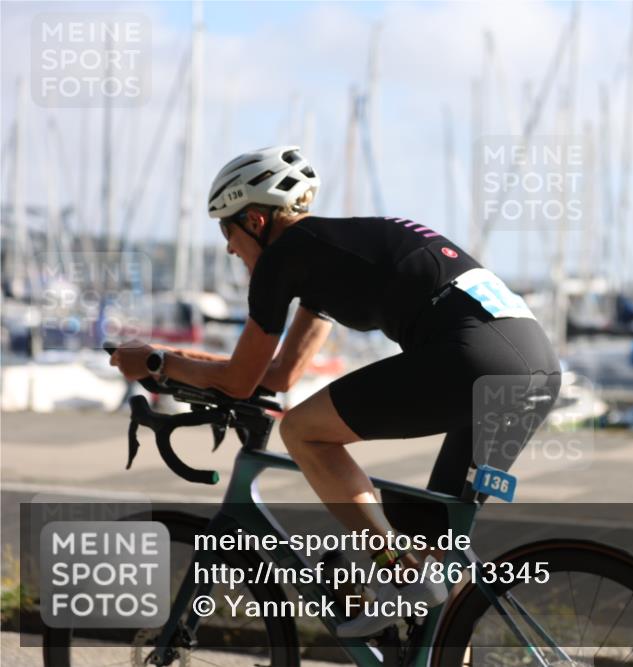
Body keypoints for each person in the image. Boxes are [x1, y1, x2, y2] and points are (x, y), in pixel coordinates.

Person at [109, 145, 561, 636]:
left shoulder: (284, 256)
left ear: (255, 221)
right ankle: (429, 617)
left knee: (303, 431)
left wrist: (156, 362)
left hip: (476, 360)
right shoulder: (329, 253)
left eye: (227, 230)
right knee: (434, 559)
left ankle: (393, 571)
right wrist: (178, 363)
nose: (229, 249)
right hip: (534, 367)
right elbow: (280, 374)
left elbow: (241, 381)